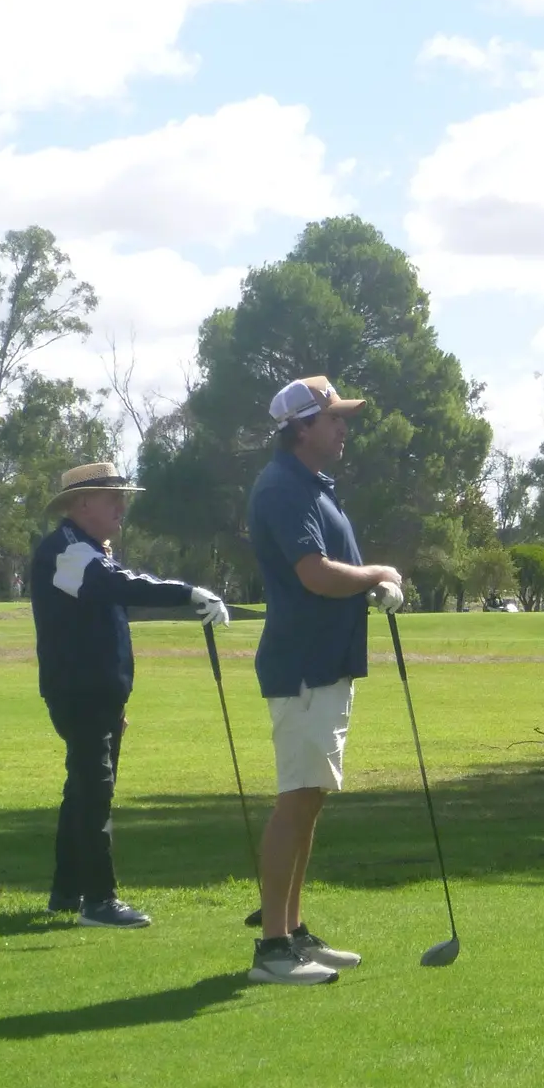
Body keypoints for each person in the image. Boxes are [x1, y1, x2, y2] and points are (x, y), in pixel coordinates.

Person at [245, 375, 405, 985]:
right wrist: (379, 574)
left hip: (324, 662)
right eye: (335, 418)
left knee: (309, 798)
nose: (344, 429)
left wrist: (369, 585)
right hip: (303, 664)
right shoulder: (284, 487)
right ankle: (272, 948)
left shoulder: (311, 486)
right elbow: (314, 574)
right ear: (301, 427)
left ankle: (292, 931)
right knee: (297, 798)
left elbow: (329, 573)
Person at [31, 462, 228, 928]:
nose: (122, 506)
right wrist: (186, 593)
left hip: (99, 693)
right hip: (80, 692)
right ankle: (99, 900)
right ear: (83, 503)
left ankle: (68, 890)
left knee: (83, 789)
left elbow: (113, 596)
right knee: (94, 791)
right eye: (112, 498)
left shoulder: (87, 549)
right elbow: (117, 585)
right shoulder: (66, 551)